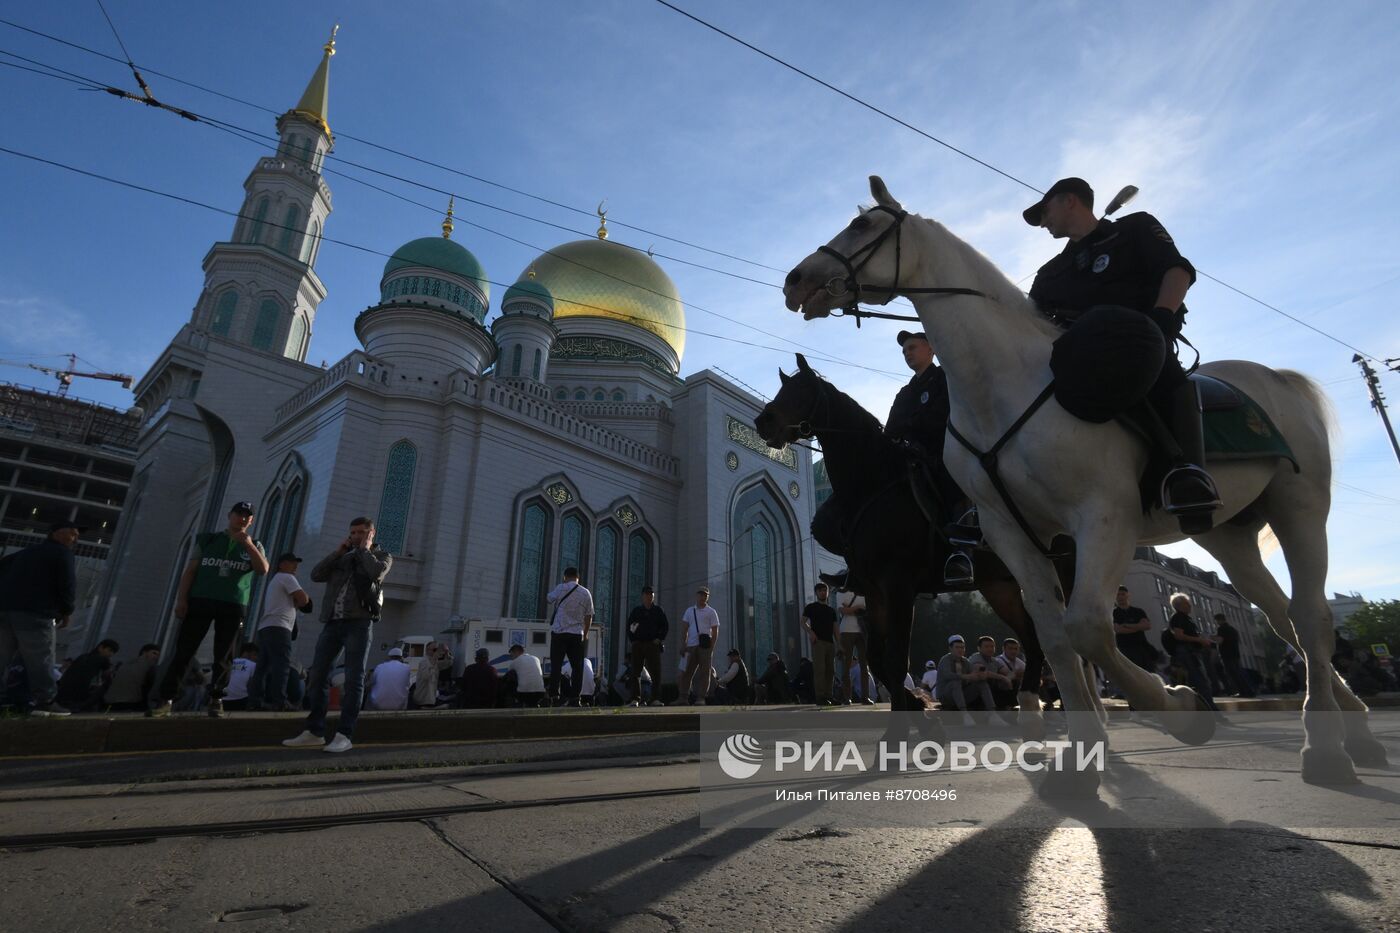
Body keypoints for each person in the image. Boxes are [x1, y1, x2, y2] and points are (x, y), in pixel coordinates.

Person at [1025, 177, 1220, 519]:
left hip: (1139, 344)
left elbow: (1176, 271)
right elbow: (1028, 322)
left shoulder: (1134, 228)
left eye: (1045, 210)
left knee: (1166, 375)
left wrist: (1160, 318)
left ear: (1070, 200)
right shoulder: (1050, 273)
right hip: (1076, 362)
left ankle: (1189, 476)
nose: (1043, 221)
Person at [816, 331, 973, 589]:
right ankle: (858, 562)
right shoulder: (904, 394)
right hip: (905, 458)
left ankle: (962, 553)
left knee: (952, 480)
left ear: (931, 349)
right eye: (904, 351)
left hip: (940, 453)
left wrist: (912, 430)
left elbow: (945, 416)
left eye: (912, 347)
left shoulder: (944, 379)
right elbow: (890, 432)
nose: (907, 353)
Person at [149, 501, 269, 719]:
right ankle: (166, 699)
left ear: (251, 521)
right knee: (184, 650)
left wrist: (249, 545)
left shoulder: (255, 544)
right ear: (229, 515)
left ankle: (216, 698)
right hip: (201, 600)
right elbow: (190, 571)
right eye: (238, 513)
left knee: (224, 655)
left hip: (233, 604)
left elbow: (263, 570)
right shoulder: (209, 540)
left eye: (247, 516)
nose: (242, 518)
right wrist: (182, 600)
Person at [283, 516, 393, 753]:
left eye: (362, 533)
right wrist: (338, 552)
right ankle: (314, 731)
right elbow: (316, 574)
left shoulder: (381, 557)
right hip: (333, 623)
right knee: (318, 675)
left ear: (372, 534)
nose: (356, 537)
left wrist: (364, 550)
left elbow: (376, 573)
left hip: (359, 623)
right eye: (353, 533)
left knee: (354, 678)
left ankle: (345, 734)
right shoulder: (342, 558)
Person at [0, 520, 82, 716]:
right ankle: (45, 700)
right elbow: (67, 584)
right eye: (72, 534)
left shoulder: (26, 552)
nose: (75, 539)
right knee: (41, 657)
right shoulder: (62, 554)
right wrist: (67, 610)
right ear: (55, 533)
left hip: (6, 610)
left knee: (1, 656)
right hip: (36, 613)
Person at [248, 552, 311, 711]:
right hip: (279, 627)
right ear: (281, 564)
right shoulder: (286, 577)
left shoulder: (275, 580)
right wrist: (301, 599)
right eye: (292, 562)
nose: (295, 566)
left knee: (263, 666)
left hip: (266, 627)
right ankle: (280, 701)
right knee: (282, 665)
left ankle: (256, 700)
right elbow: (304, 600)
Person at [545, 567, 594, 707]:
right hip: (576, 635)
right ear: (578, 578)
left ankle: (554, 696)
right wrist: (585, 633)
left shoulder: (561, 588)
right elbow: (589, 616)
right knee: (577, 668)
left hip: (559, 633)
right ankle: (575, 698)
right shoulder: (586, 592)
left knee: (556, 665)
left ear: (565, 576)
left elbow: (549, 598)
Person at [1166, 592, 1219, 711]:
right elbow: (1179, 635)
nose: (1190, 606)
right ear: (1180, 605)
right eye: (1187, 603)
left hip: (1191, 651)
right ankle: (1211, 711)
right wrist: (1199, 640)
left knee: (1196, 682)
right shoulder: (1178, 618)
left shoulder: (1186, 618)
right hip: (1186, 652)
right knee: (1200, 682)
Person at [675, 586, 720, 705]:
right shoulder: (690, 611)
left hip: (705, 646)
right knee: (686, 672)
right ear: (697, 596)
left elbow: (715, 631)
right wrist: (683, 644)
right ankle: (683, 697)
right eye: (701, 594)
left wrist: (711, 648)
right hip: (690, 646)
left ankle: (701, 698)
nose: (703, 597)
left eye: (705, 595)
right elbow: (684, 629)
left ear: (708, 597)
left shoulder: (711, 612)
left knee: (705, 673)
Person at [626, 584, 668, 707]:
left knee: (655, 672)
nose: (649, 597)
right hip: (638, 644)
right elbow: (630, 626)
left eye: (651, 594)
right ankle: (635, 699)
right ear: (642, 596)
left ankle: (655, 699)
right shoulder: (637, 611)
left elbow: (665, 626)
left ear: (653, 596)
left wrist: (659, 639)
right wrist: (633, 640)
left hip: (652, 645)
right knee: (635, 672)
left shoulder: (658, 611)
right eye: (646, 594)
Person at [934, 634, 993, 718]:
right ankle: (964, 714)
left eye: (962, 647)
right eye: (957, 647)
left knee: (982, 683)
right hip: (946, 696)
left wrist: (979, 675)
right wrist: (967, 676)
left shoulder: (965, 661)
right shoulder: (945, 660)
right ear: (950, 649)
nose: (960, 650)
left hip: (961, 694)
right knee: (955, 682)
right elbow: (948, 675)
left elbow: (972, 674)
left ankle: (992, 713)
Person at [56, 639, 119, 712]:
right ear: (101, 647)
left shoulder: (82, 656)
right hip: (79, 697)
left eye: (113, 652)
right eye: (110, 650)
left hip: (62, 693)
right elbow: (108, 677)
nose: (111, 654)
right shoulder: (103, 659)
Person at [836, 589, 874, 705]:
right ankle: (847, 697)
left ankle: (865, 697)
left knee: (864, 666)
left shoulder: (864, 593)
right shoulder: (841, 592)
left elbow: (868, 610)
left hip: (862, 631)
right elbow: (843, 611)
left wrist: (851, 609)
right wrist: (858, 608)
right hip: (846, 631)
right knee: (846, 666)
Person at [103, 643, 162, 711]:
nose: (156, 657)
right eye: (154, 653)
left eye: (158, 655)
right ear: (144, 652)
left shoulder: (126, 664)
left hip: (111, 701)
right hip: (131, 703)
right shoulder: (149, 667)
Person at [1214, 614, 1256, 697]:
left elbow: (1220, 641)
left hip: (1227, 654)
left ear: (1219, 620)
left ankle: (1243, 692)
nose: (1216, 623)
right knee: (1239, 673)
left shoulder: (1221, 629)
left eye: (1216, 621)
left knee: (1233, 674)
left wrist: (1212, 638)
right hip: (1235, 654)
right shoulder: (1233, 629)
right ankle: (1248, 691)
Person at [970, 635, 1014, 709]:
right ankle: (992, 713)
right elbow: (982, 673)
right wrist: (1003, 678)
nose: (990, 649)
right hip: (974, 691)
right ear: (979, 648)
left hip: (990, 690)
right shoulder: (976, 658)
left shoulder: (994, 661)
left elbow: (1008, 672)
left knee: (1010, 682)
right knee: (982, 682)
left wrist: (1008, 679)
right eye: (986, 647)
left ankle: (1009, 707)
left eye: (992, 646)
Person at [992, 637, 1027, 710]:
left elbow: (1027, 673)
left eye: (1015, 649)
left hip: (1012, 688)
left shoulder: (1019, 661)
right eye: (1010, 648)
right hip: (1001, 690)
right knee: (1015, 682)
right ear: (1004, 649)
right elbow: (1009, 675)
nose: (1013, 651)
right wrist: (1019, 674)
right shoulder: (998, 660)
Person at [222, 644, 259, 711]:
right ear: (246, 653)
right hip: (241, 699)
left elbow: (227, 680)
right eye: (255, 654)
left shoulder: (233, 662)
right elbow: (252, 684)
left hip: (225, 700)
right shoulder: (253, 665)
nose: (256, 658)